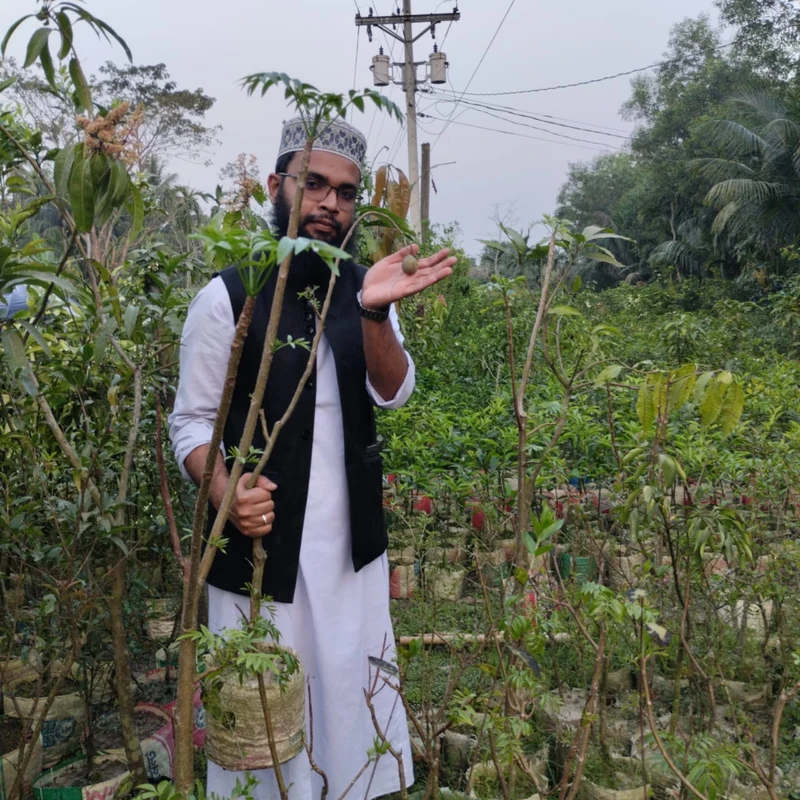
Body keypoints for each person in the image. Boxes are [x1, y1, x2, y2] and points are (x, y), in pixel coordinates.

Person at [168, 117, 455, 800]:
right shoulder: (228, 296)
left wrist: (377, 314)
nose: (331, 204)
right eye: (315, 185)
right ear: (278, 186)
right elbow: (190, 422)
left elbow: (393, 392)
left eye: (347, 193)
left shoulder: (368, 286)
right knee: (265, 727)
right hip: (263, 555)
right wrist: (224, 489)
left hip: (350, 551)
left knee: (353, 712)